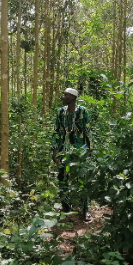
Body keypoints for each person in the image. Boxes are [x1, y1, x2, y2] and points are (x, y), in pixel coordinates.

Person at [51, 87, 93, 222]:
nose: (63, 97)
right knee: (62, 177)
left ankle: (85, 210)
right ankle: (66, 208)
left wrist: (89, 148)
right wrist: (54, 150)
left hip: (79, 149)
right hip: (64, 150)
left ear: (73, 97)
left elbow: (87, 130)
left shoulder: (83, 111)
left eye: (66, 95)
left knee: (82, 178)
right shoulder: (60, 112)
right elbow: (56, 131)